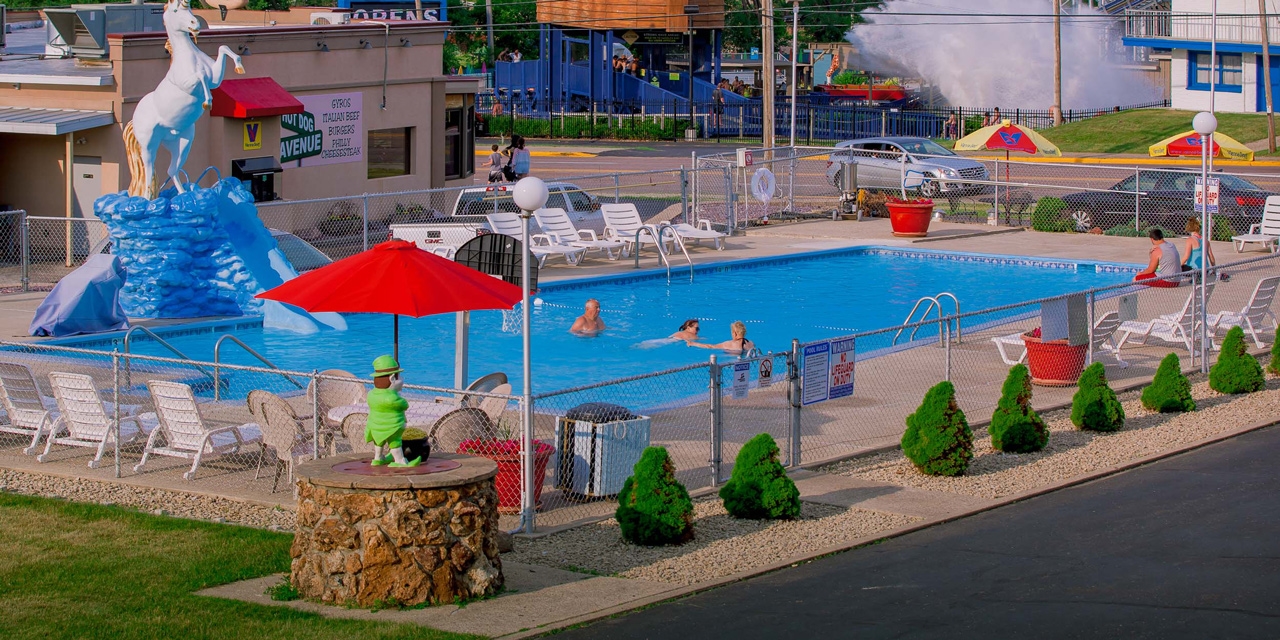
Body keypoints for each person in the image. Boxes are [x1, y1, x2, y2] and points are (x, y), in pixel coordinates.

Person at [365, 355, 420, 468]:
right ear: (392, 379)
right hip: (392, 426)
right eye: (399, 376)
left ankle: (378, 458)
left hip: (375, 425)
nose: (402, 379)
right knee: (395, 443)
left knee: (378, 442)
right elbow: (404, 404)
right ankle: (400, 461)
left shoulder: (370, 394)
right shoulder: (393, 398)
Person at [691, 320, 755, 354]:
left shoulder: (730, 344)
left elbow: (710, 346)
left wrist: (693, 343)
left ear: (734, 333)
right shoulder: (751, 343)